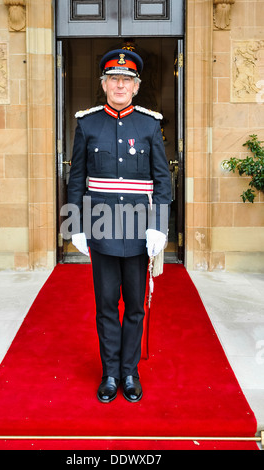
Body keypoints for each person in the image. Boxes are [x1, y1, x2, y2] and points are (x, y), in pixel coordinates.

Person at [67, 48, 171, 403]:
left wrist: (159, 226)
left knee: (136, 308)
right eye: (114, 79)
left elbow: (162, 180)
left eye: (127, 80)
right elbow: (76, 177)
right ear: (104, 84)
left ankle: (130, 372)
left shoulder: (149, 124)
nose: (120, 85)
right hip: (101, 227)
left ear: (136, 86)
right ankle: (110, 372)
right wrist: (75, 225)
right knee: (107, 304)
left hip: (140, 230)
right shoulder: (87, 123)